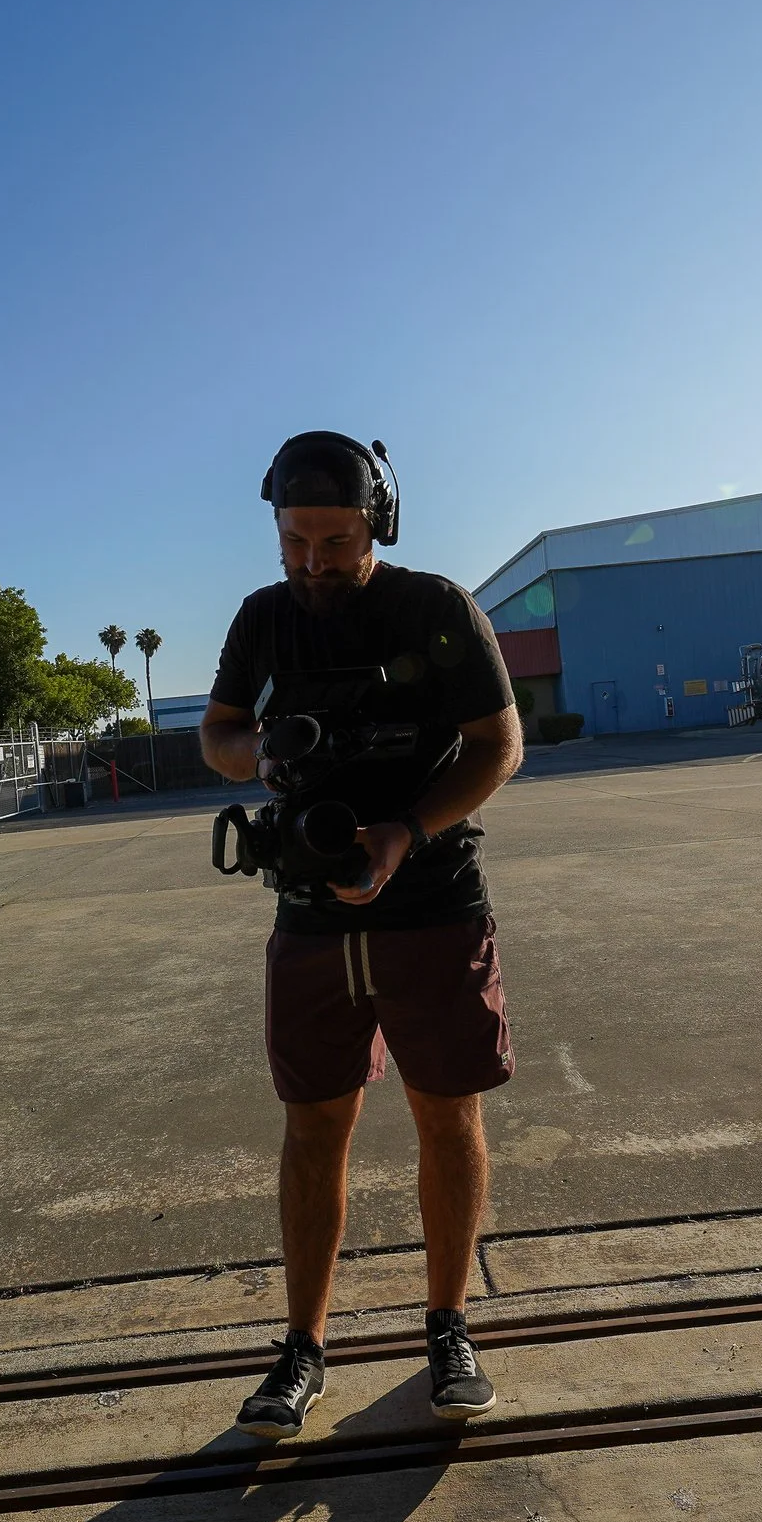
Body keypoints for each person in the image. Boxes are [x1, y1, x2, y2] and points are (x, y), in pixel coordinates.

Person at [201, 430, 525, 1439]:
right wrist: (255, 749)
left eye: (333, 539)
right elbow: (214, 731)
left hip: (430, 902)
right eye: (293, 539)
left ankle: (448, 1322)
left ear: (376, 522)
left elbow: (498, 743)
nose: (310, 561)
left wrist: (403, 828)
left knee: (446, 1119)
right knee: (312, 1128)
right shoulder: (262, 618)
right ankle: (301, 1346)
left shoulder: (434, 609)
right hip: (307, 914)